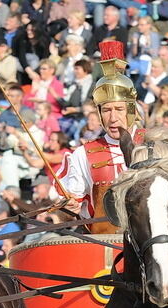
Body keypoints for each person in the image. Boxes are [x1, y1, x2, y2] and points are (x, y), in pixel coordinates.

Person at [56, 41, 145, 233]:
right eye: (106, 110)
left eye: (119, 109)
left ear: (131, 109)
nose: (113, 118)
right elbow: (68, 214)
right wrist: (68, 206)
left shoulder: (152, 144)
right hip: (105, 247)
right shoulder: (83, 154)